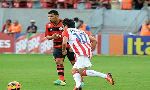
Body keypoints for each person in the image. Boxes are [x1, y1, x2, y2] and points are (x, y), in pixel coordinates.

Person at [62, 18, 114, 90]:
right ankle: (106, 76)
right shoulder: (82, 31)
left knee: (74, 71)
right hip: (86, 53)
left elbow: (64, 43)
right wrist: (90, 50)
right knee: (81, 72)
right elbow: (94, 40)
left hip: (81, 54)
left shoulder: (66, 31)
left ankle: (78, 86)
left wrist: (64, 50)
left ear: (66, 26)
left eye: (63, 26)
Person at [45, 10, 75, 86]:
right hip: (57, 46)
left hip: (69, 46)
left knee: (74, 63)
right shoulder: (48, 25)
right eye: (48, 16)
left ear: (57, 16)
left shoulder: (64, 23)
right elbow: (47, 36)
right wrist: (52, 36)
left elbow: (73, 32)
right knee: (58, 61)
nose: (49, 18)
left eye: (51, 16)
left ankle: (80, 80)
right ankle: (61, 80)